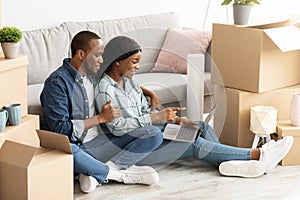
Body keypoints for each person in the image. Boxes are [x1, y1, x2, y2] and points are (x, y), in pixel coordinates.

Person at [94, 35, 294, 178]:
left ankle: (229, 164)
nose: (138, 67)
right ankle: (258, 155)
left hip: (153, 131)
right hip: (138, 147)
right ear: (117, 62)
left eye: (139, 62)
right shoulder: (106, 91)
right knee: (193, 144)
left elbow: (143, 112)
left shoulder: (129, 81)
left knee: (200, 127)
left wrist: (174, 119)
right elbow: (117, 128)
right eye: (134, 62)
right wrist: (156, 118)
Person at [40, 31, 163, 193]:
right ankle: (119, 175)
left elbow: (118, 78)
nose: (102, 60)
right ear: (81, 54)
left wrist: (150, 93)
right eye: (98, 55)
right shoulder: (57, 83)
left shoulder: (94, 74)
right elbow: (60, 130)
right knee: (70, 153)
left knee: (153, 134)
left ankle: (95, 172)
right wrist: (101, 118)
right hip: (78, 148)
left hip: (101, 142)